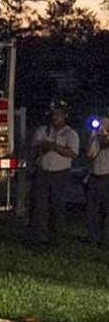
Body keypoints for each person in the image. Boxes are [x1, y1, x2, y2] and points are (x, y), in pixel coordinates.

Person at [27, 99, 79, 245]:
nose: (55, 118)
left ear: (65, 116)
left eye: (59, 115)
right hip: (42, 173)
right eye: (54, 115)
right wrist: (43, 147)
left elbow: (73, 153)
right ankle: (39, 237)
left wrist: (54, 147)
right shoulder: (42, 130)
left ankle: (56, 237)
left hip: (60, 174)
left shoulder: (70, 134)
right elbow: (35, 148)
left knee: (57, 205)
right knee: (40, 205)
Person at [84, 116, 109, 247]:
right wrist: (94, 135)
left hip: (107, 176)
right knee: (92, 209)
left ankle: (105, 238)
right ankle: (92, 237)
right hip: (94, 176)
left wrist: (104, 136)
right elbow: (90, 154)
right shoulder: (95, 138)